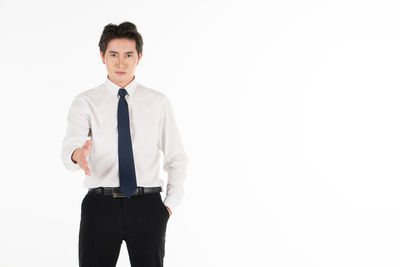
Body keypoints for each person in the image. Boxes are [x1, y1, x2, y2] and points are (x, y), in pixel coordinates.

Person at [60, 21, 188, 267]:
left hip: (147, 206)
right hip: (100, 207)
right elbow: (69, 150)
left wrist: (168, 207)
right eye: (114, 55)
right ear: (102, 56)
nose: (121, 63)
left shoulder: (158, 102)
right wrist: (78, 155)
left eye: (129, 55)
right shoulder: (86, 102)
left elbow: (177, 157)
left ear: (139, 56)